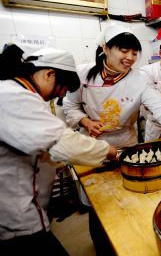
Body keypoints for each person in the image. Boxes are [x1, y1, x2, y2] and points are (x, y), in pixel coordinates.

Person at [0, 44, 117, 255]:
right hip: (16, 218)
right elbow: (61, 143)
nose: (60, 95)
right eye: (62, 88)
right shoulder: (12, 96)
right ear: (49, 74)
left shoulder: (18, 93)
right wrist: (109, 151)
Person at [63, 25, 161, 166]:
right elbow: (70, 106)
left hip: (125, 146)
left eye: (134, 53)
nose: (130, 57)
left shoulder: (139, 79)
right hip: (91, 146)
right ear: (106, 48)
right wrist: (86, 122)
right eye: (124, 51)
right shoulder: (82, 74)